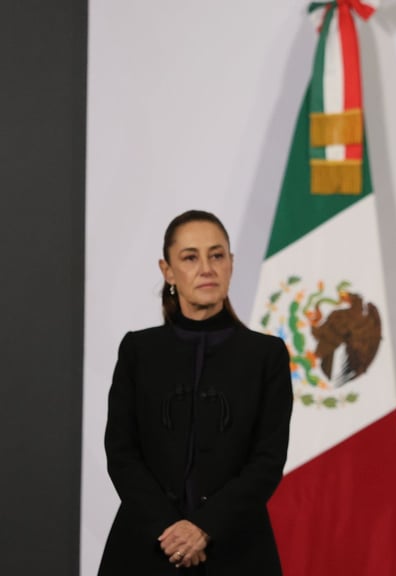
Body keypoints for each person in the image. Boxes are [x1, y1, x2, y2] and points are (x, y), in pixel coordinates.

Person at [99, 210, 293, 575]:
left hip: (238, 551)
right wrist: (169, 530)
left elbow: (267, 461)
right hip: (143, 547)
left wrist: (204, 527)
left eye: (216, 255)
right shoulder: (138, 351)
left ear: (231, 264)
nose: (207, 268)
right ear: (168, 271)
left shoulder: (266, 356)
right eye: (190, 257)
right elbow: (121, 452)